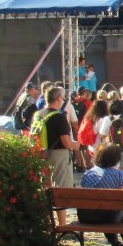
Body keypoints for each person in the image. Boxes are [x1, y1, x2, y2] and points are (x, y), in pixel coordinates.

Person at [78, 144, 123, 246]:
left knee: (103, 208)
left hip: (87, 216)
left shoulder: (89, 173)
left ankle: (115, 244)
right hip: (110, 217)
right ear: (116, 159)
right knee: (122, 211)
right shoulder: (119, 174)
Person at [36, 87, 81, 226]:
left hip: (42, 154)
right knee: (61, 189)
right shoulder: (59, 116)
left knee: (46, 187)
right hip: (59, 154)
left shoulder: (38, 114)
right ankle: (62, 225)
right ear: (58, 99)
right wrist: (76, 145)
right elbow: (66, 142)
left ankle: (49, 222)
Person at [99, 100, 123, 187]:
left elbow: (102, 134)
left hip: (112, 148)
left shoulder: (107, 119)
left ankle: (116, 188)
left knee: (114, 169)